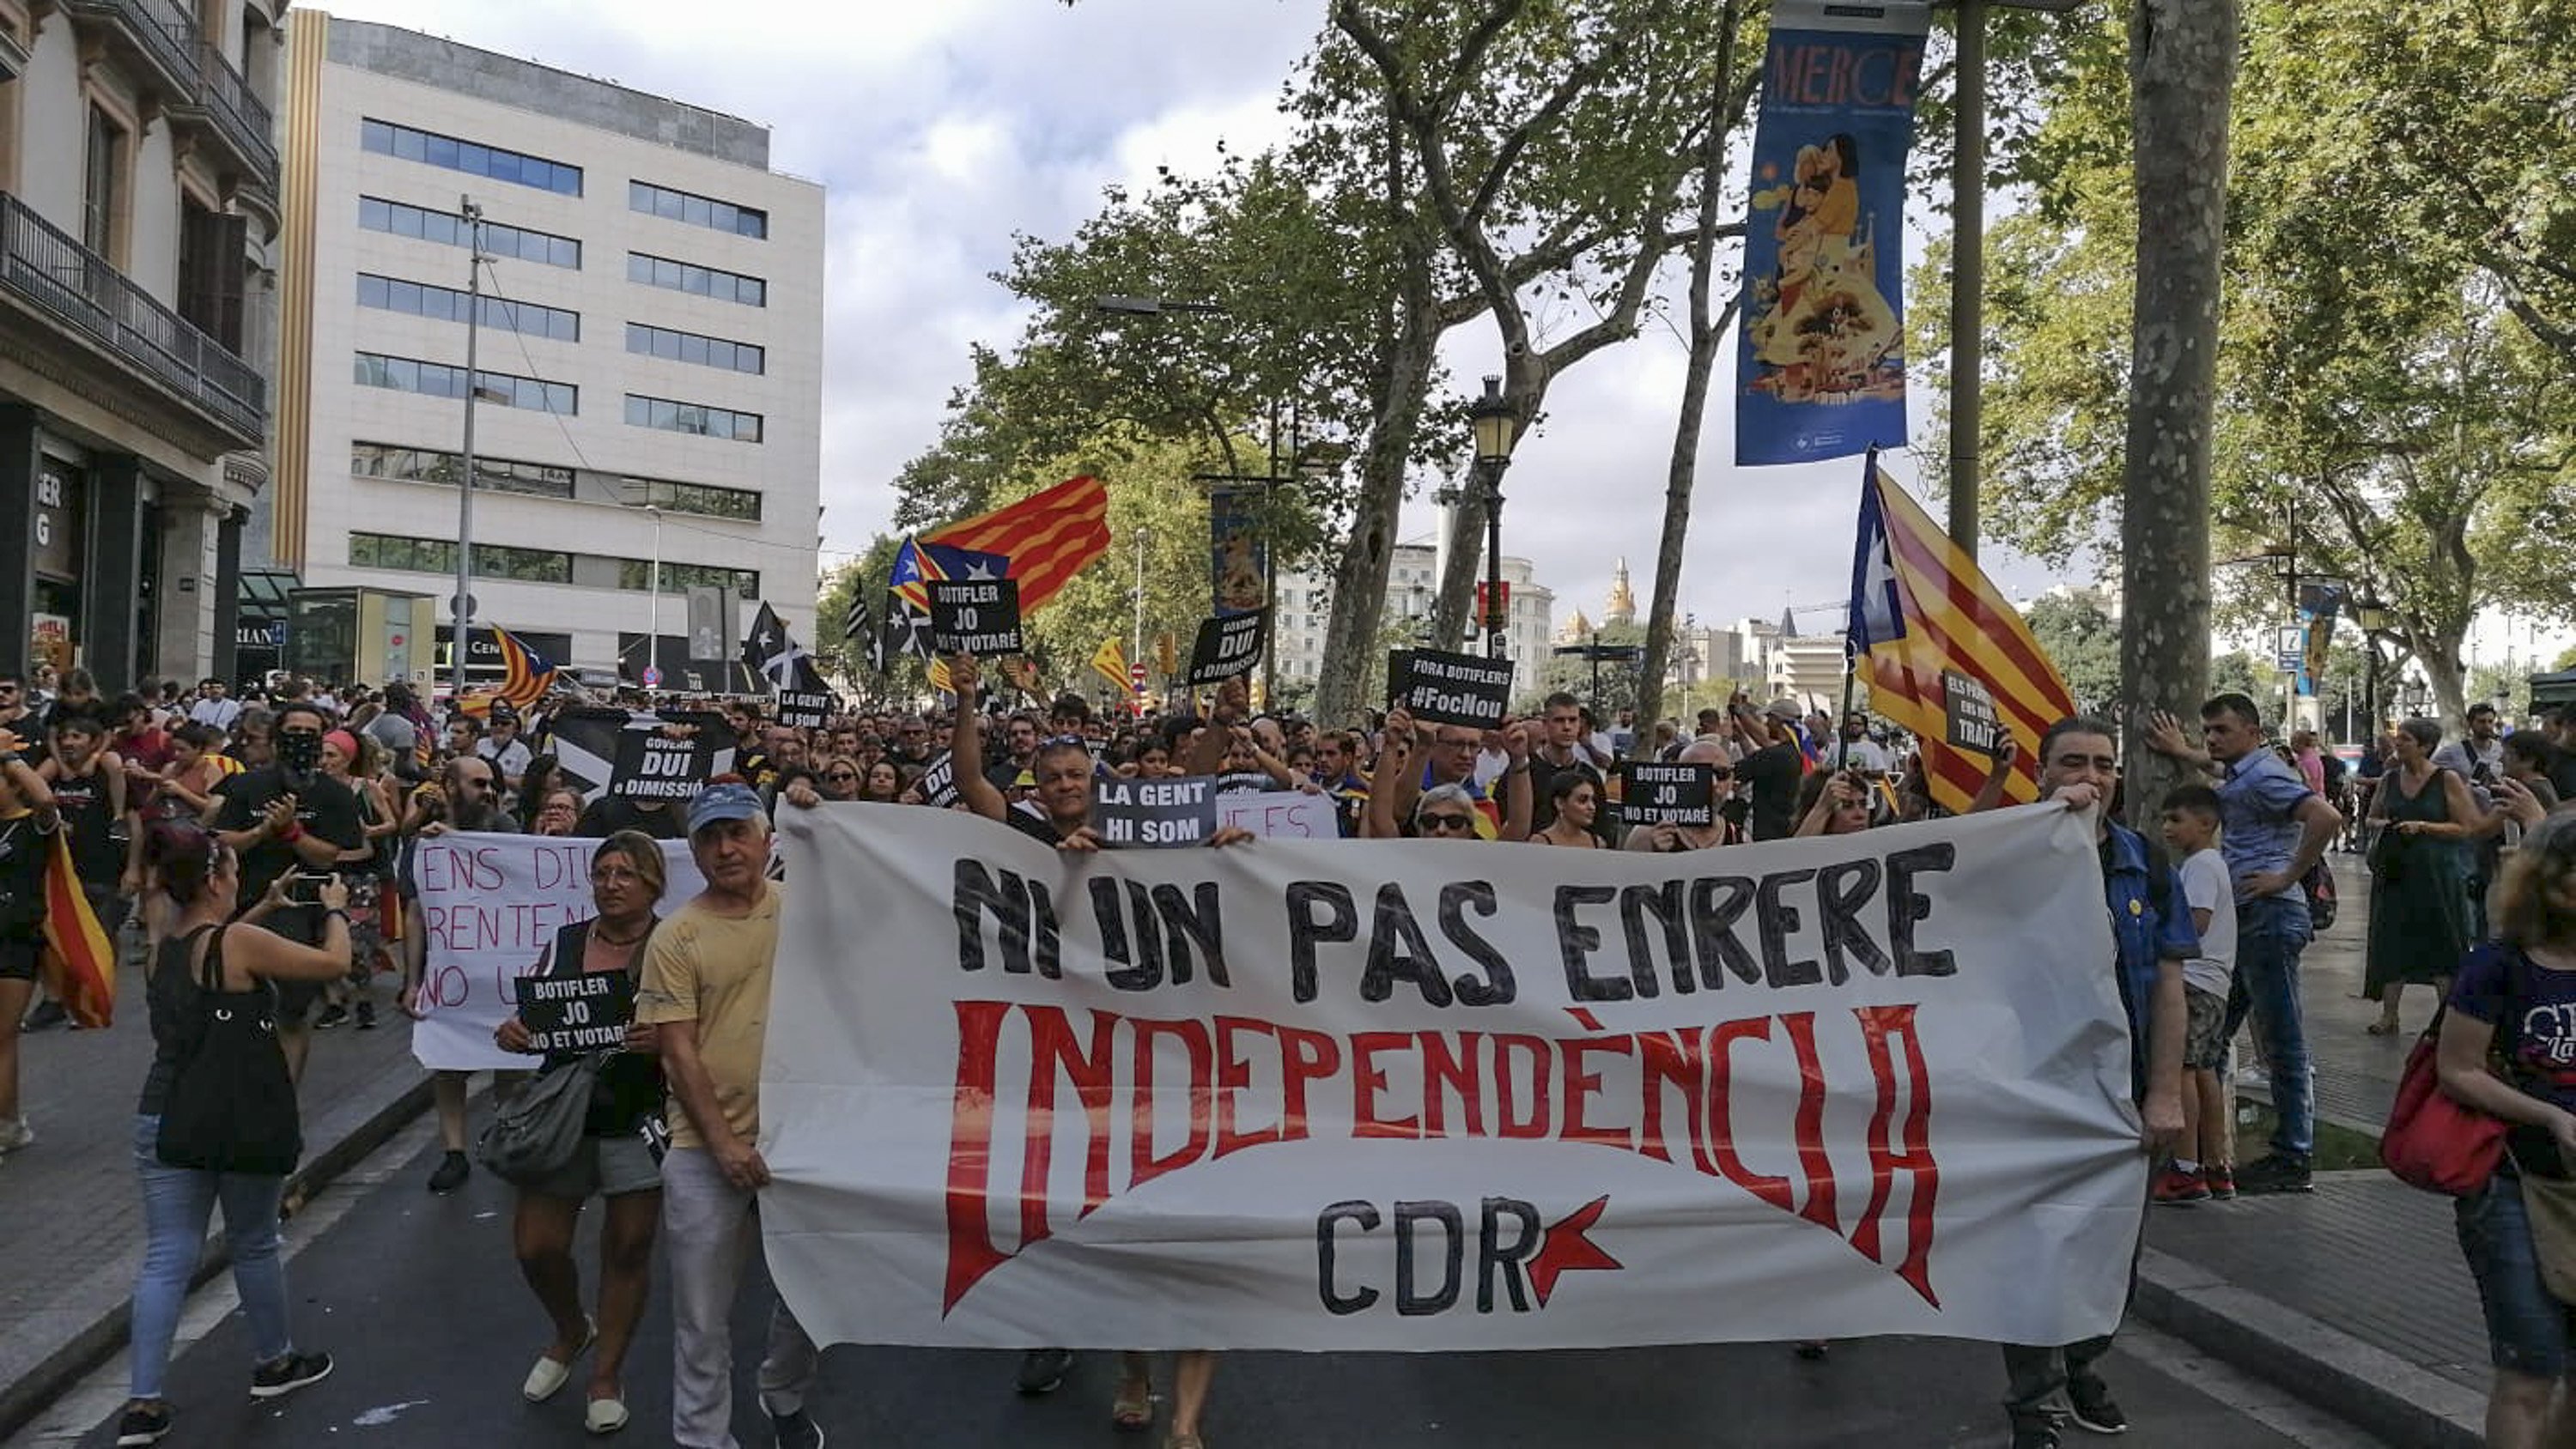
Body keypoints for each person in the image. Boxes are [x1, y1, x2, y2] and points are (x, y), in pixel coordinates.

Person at [1990, 718, 2191, 1449]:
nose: (2091, 775)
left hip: (2124, 1094)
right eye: (2072, 762)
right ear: (2042, 774)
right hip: (2034, 1090)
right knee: (2036, 1250)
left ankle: (2082, 1358)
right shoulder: (2010, 858)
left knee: (2113, 1253)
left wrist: (2165, 1092)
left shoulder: (2147, 861)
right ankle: (2033, 1403)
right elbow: (1941, 876)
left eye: (2104, 763)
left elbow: (2171, 985)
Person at [114, 821, 345, 1446]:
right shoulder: (240, 942)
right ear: (216, 879)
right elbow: (333, 964)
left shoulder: (161, 938)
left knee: (167, 1256)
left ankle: (143, 1402)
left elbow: (207, 943)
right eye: (234, 874)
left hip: (164, 1114)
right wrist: (335, 912)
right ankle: (274, 1360)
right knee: (253, 1240)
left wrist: (265, 904)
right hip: (238, 1115)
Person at [635, 782, 824, 1449]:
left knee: (814, 1296)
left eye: (738, 832)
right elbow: (678, 1052)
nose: (725, 848)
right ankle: (702, 1439)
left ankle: (781, 1392)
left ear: (766, 840)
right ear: (695, 851)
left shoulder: (802, 909)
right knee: (701, 1316)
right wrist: (723, 1146)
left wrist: (813, 806)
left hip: (800, 1141)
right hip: (703, 1152)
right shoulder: (676, 935)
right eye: (710, 838)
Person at [492, 831, 668, 1436]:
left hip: (638, 1113)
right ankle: (572, 1328)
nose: (611, 884)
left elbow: (701, 1021)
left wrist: (664, 1041)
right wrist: (512, 1033)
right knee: (535, 1246)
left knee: (628, 1246)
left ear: (652, 885)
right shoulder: (565, 943)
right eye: (603, 873)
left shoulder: (672, 944)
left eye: (626, 874)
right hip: (564, 1113)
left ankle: (606, 1375)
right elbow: (530, 1015)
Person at [2146, 694, 2342, 1195]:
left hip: (2271, 916)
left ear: (2253, 732)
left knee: (2282, 1042)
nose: (2212, 739)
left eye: (2222, 730)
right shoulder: (2242, 772)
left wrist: (2285, 876)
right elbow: (2219, 768)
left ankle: (2293, 1157)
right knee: (2205, 1046)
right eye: (2207, 730)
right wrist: (2186, 751)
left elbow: (2325, 817)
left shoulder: (2265, 774)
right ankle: (2212, 1161)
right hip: (2252, 922)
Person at [2437, 812, 2576, 1449]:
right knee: (2531, 1370)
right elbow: (2457, 1070)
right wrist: (2551, 1116)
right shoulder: (2498, 964)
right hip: (2514, 1185)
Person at [206, 700, 361, 1085]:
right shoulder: (246, 786)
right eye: (293, 734)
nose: (302, 742)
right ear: (276, 740)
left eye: (311, 735)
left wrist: (292, 832)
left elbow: (328, 857)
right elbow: (221, 841)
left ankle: (284, 1099)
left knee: (292, 1011)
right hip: (246, 906)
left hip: (302, 912)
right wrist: (261, 832)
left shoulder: (335, 795)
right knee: (236, 1006)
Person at [401, 755, 521, 1194]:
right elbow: (414, 914)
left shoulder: (505, 829)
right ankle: (454, 1152)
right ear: (450, 788)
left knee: (512, 1057)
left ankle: (509, 1136)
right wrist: (412, 981)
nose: (488, 790)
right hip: (451, 967)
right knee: (449, 1062)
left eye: (491, 782)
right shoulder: (422, 846)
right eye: (477, 783)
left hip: (504, 964)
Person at [2365, 718, 2481, 1036]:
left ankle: (2445, 1019)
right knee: (2391, 942)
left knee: (2442, 942)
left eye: (2405, 739)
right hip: (2396, 872)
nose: (2397, 743)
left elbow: (2468, 826)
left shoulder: (2447, 780)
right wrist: (2383, 825)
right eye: (2397, 738)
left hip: (2437, 875)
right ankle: (2389, 1016)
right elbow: (2372, 817)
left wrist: (2424, 827)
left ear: (2425, 746)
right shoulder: (2389, 778)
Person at [2155, 785, 2239, 1204]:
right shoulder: (2207, 863)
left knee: (2183, 1070)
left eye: (2176, 820)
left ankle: (2186, 1168)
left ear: (2206, 824)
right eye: (2165, 820)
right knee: (2206, 1071)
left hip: (2195, 980)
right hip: (2214, 983)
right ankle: (2217, 1164)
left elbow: (2197, 922)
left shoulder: (2201, 866)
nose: (2167, 828)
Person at [0, 730, 59, 1152]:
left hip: (16, 939)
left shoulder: (33, 826)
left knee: (1, 1036)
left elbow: (47, 800)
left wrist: (7, 755)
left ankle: (4, 1127)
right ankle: (9, 1119)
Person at [1728, 699, 1808, 841]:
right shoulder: (1796, 752)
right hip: (1788, 830)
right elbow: (1760, 761)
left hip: (1767, 835)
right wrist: (1742, 737)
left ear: (1777, 721)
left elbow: (1730, 774)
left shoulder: (1773, 756)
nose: (1765, 723)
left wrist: (1724, 737)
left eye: (1769, 718)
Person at [1528, 773, 1607, 847]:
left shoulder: (1598, 843)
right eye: (1582, 800)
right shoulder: (1540, 842)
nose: (1592, 807)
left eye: (1593, 800)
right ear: (1559, 803)